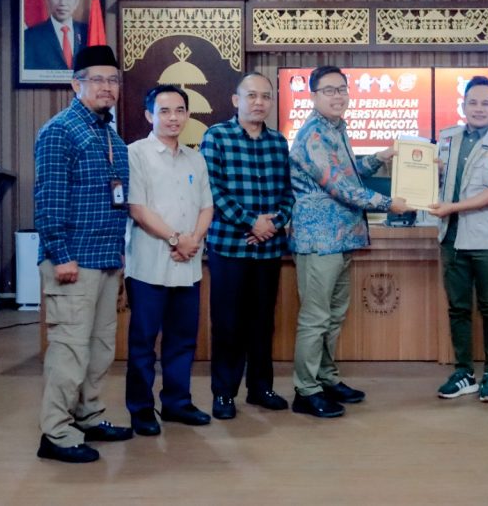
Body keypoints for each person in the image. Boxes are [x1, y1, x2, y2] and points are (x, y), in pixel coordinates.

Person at [288, 66, 409, 418]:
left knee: (334, 314)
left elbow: (349, 172)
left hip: (341, 238)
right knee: (315, 317)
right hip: (319, 240)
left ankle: (326, 378)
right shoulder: (313, 135)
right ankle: (305, 389)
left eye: (342, 89)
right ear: (313, 96)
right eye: (329, 90)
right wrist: (389, 203)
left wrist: (380, 158)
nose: (337, 96)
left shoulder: (336, 129)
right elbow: (339, 186)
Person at [33, 44, 131, 463]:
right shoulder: (60, 131)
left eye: (113, 80)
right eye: (97, 80)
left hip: (106, 258)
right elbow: (48, 199)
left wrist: (119, 258)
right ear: (76, 84)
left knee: (100, 348)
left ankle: (88, 416)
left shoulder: (110, 135)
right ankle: (55, 433)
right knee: (70, 349)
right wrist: (61, 255)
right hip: (73, 260)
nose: (107, 87)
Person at [200, 72, 294, 420]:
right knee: (228, 323)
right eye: (251, 95)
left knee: (262, 322)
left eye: (265, 96)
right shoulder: (217, 136)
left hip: (268, 248)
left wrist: (273, 222)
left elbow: (289, 191)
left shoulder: (278, 142)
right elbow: (212, 189)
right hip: (230, 247)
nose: (259, 102)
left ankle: (260, 388)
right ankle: (224, 393)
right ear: (235, 100)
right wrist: (251, 222)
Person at [125, 84, 214, 436]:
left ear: (188, 115)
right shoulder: (136, 154)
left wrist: (192, 241)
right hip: (149, 265)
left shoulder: (196, 158)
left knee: (183, 340)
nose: (173, 118)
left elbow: (207, 207)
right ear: (150, 115)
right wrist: (177, 239)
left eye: (179, 110)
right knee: (143, 343)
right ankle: (141, 409)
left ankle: (177, 402)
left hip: (188, 265)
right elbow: (138, 208)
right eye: (164, 111)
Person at [428, 76, 488, 403]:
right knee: (458, 308)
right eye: (473, 102)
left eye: (485, 103)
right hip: (451, 236)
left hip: (487, 239)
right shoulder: (447, 138)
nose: (479, 109)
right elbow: (434, 178)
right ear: (463, 105)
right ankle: (464, 372)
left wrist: (452, 207)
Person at [24, 0, 89, 71]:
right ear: (47, 0)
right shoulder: (31, 36)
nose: (62, 3)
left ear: (76, 2)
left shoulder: (87, 32)